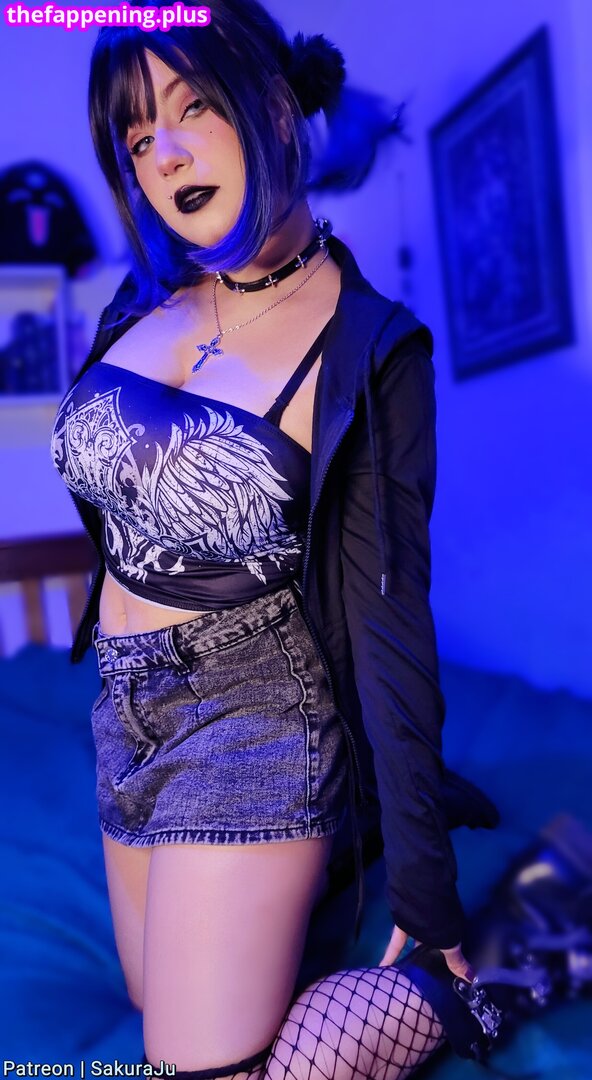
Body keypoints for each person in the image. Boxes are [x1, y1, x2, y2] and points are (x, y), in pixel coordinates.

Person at [50, 1, 502, 1075]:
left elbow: (388, 619)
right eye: (136, 136)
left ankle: (481, 974)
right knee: (150, 1000)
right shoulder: (141, 300)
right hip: (124, 713)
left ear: (275, 109)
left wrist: (425, 889)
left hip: (256, 716)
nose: (163, 153)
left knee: (199, 1067)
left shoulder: (368, 347)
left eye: (191, 107)